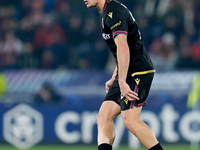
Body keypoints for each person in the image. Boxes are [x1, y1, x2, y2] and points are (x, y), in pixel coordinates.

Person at [83, 0, 163, 150]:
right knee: (103, 116)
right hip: (126, 71)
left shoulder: (114, 12)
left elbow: (123, 47)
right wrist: (115, 77)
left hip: (139, 70)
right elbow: (123, 50)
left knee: (129, 120)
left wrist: (121, 81)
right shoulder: (106, 13)